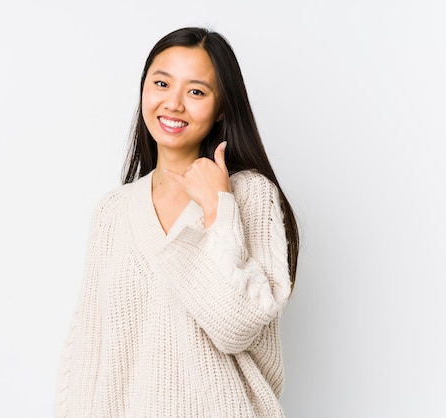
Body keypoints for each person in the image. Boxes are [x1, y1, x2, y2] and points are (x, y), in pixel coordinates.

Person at [54, 26, 300, 418]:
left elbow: (237, 326)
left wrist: (218, 209)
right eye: (162, 83)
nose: (174, 103)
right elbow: (87, 351)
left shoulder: (250, 195)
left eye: (196, 91)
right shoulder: (113, 211)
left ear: (222, 107)